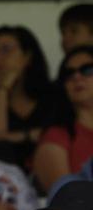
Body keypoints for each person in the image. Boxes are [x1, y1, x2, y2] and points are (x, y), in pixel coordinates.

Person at [0, 25, 52, 173]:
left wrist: (14, 136)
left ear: (27, 57)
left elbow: (54, 135)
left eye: (6, 50)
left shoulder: (53, 95)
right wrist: (2, 92)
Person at [35, 45, 93, 192]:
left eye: (87, 70)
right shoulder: (56, 136)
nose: (77, 77)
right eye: (69, 74)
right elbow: (65, 199)